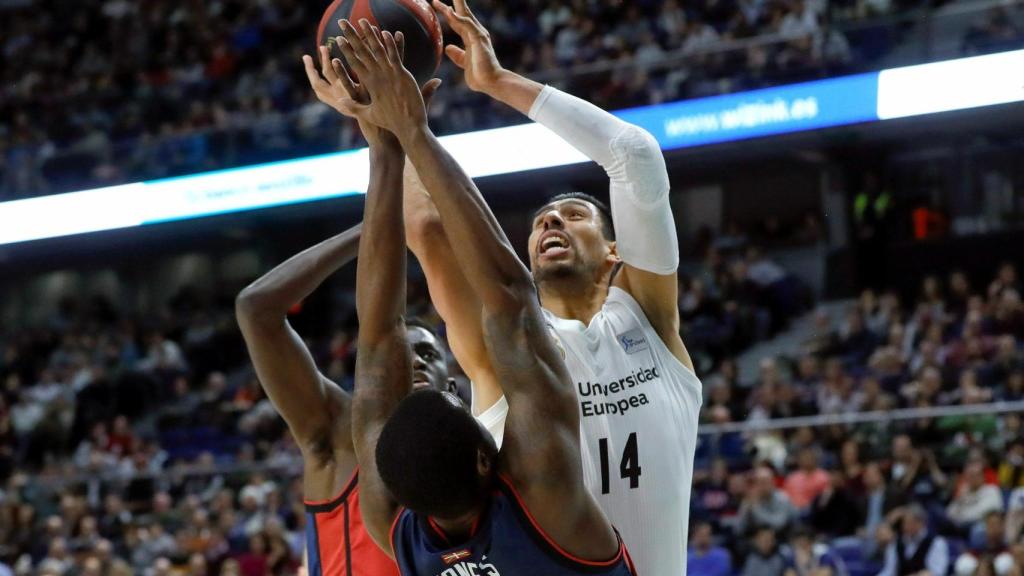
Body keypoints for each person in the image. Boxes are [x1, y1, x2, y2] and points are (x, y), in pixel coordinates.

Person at [407, 0, 703, 573]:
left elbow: (634, 155)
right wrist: (390, 129)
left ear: (615, 251)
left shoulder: (650, 323)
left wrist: (497, 82)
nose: (551, 222)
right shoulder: (506, 350)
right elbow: (425, 228)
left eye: (573, 214)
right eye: (543, 220)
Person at [335, 19, 637, 575]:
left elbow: (379, 343)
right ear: (484, 457)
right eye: (465, 407)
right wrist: (412, 133)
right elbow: (510, 299)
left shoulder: (398, 533)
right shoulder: (548, 502)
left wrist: (382, 149)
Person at [235, 43, 455, 576]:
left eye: (429, 351)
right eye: (407, 347)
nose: (417, 357)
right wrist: (372, 231)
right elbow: (257, 308)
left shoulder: (475, 448)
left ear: (456, 379)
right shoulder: (336, 432)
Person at [877, 504, 950, 576]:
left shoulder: (936, 542)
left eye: (908, 523)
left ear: (920, 523)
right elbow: (889, 571)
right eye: (904, 523)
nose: (904, 526)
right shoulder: (896, 543)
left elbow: (937, 572)